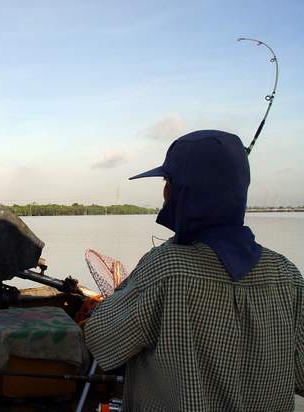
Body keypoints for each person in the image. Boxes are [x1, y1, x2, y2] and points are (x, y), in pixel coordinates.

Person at [84, 130, 304, 411]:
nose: (164, 192)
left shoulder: (165, 268)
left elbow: (101, 341)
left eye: (168, 181)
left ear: (179, 192)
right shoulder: (288, 275)